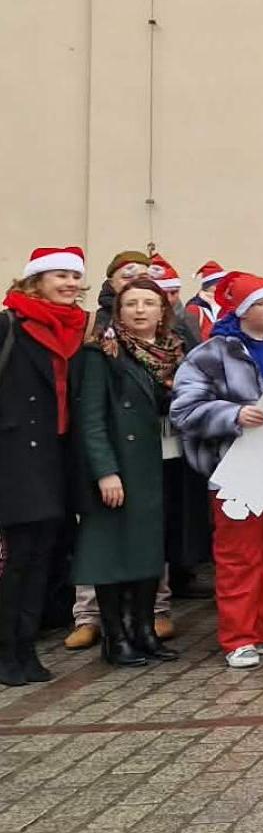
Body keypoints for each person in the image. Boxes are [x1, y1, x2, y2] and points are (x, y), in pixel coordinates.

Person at [171, 271, 263, 669]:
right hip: (236, 467)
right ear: (241, 310)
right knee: (239, 557)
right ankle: (239, 638)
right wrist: (234, 414)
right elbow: (184, 409)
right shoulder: (212, 352)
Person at [71, 277, 181, 669]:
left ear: (162, 310)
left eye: (148, 303)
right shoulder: (103, 352)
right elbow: (91, 419)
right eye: (131, 303)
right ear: (118, 311)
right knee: (110, 553)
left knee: (148, 550)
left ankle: (144, 631)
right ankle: (115, 637)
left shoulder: (173, 352)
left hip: (159, 463)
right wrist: (105, 471)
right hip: (120, 467)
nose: (140, 310)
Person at [1, 247, 91, 686]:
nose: (70, 284)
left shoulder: (76, 330)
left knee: (44, 558)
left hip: (56, 458)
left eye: (75, 277)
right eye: (60, 276)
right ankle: (6, 650)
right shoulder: (9, 326)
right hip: (14, 457)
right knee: (16, 559)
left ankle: (26, 646)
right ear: (36, 281)